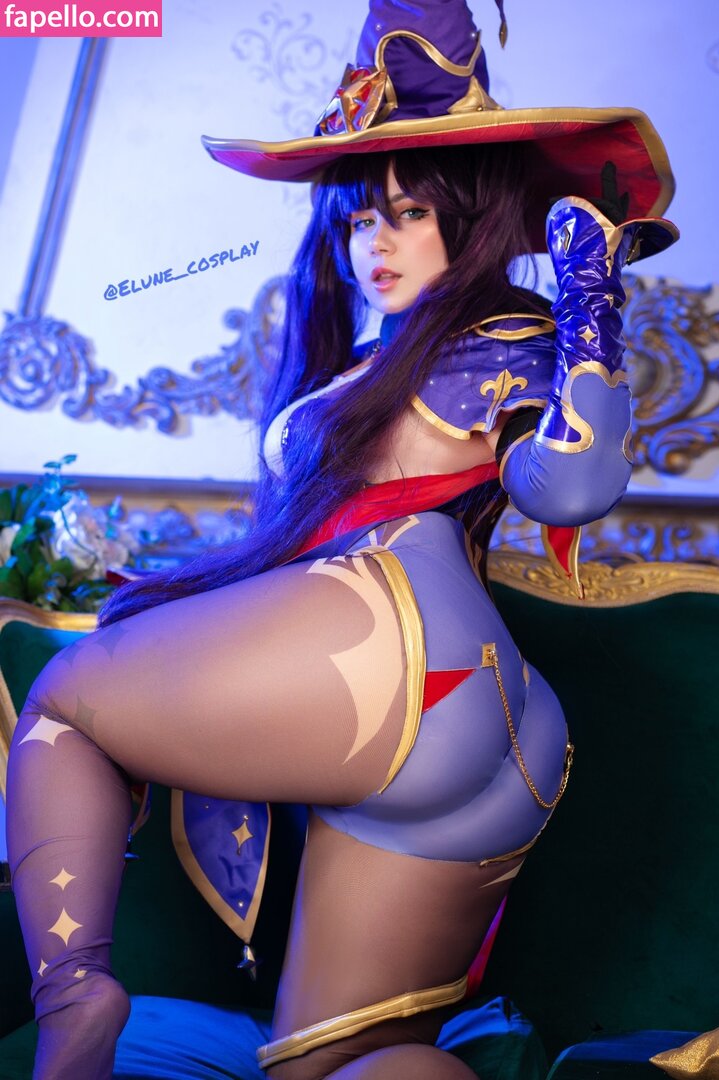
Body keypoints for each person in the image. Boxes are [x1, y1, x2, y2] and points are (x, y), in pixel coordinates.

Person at [6, 2, 678, 1078]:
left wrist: (591, 301)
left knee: (62, 706)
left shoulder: (497, 335)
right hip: (485, 723)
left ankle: (75, 998)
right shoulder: (380, 356)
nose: (378, 243)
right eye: (362, 218)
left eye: (410, 212)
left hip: (403, 651)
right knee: (324, 1063)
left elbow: (574, 487)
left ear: (474, 219)